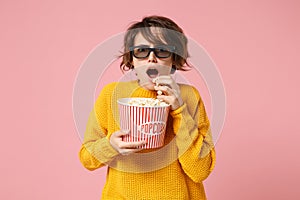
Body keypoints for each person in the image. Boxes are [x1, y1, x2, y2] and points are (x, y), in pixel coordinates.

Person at [79, 15, 216, 199]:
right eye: (142, 50)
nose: (151, 58)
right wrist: (111, 145)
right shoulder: (111, 94)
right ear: (132, 59)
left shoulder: (189, 97)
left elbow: (200, 171)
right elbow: (87, 158)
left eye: (162, 50)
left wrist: (179, 110)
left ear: (174, 59)